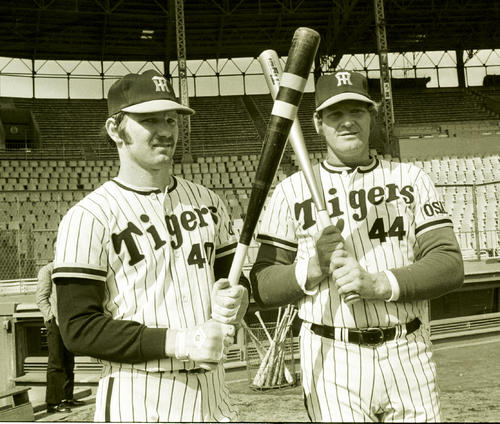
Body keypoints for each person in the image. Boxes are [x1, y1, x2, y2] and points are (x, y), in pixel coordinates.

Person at [250, 70, 464, 422]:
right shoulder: (290, 191)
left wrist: (379, 283)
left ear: (371, 115)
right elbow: (263, 285)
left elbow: (449, 264)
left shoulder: (411, 179)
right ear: (318, 123)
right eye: (335, 113)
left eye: (357, 111)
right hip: (331, 356)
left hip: (407, 350)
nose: (347, 121)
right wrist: (316, 267)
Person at [52, 69, 249, 422]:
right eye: (149, 120)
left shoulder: (208, 201)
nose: (166, 130)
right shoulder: (88, 216)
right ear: (115, 129)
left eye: (171, 119)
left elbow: (235, 283)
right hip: (138, 393)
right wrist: (180, 341)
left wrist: (239, 299)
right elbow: (78, 328)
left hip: (214, 393)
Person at [35, 259, 85, 413]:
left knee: (69, 361)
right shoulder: (47, 270)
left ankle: (67, 398)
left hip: (69, 322)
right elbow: (41, 299)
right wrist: (51, 317)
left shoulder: (68, 270)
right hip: (54, 323)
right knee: (56, 362)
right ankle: (53, 403)